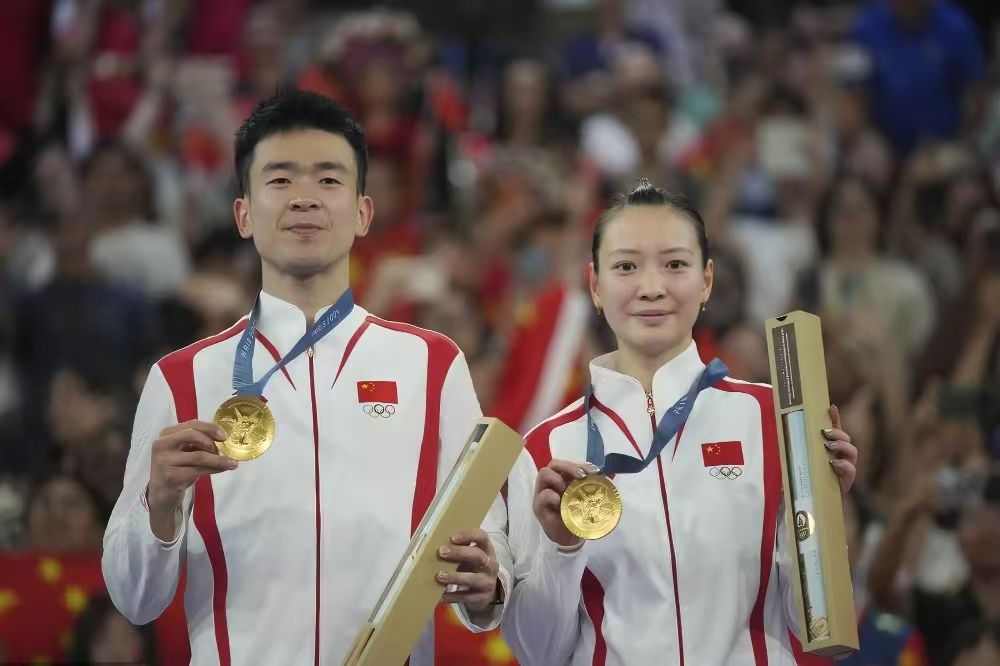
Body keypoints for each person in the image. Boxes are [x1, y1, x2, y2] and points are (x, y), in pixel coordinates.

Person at [101, 90, 506, 665]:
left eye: (329, 180)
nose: (305, 199)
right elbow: (134, 598)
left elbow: (488, 537)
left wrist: (491, 580)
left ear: (363, 213)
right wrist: (158, 501)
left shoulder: (432, 365)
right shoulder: (183, 378)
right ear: (244, 214)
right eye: (280, 180)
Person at [498, 180, 859, 664]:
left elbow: (813, 623)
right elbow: (539, 653)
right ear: (595, 286)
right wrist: (561, 551)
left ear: (706, 280)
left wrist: (819, 514)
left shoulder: (772, 419)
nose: (652, 288)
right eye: (626, 266)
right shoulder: (544, 448)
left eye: (675, 264)